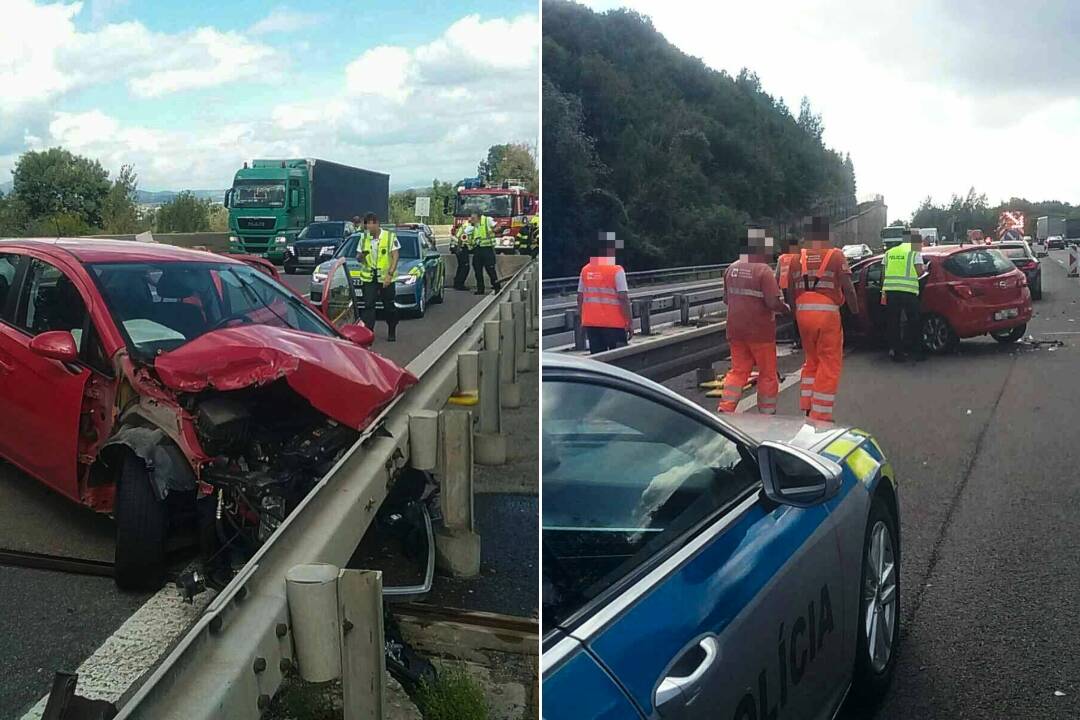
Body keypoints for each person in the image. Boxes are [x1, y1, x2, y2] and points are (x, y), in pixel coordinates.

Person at [784, 216, 859, 423]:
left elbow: (790, 291)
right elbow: (848, 288)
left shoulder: (796, 259)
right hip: (826, 314)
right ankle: (821, 415)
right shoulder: (835, 255)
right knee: (829, 363)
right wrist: (855, 312)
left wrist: (795, 314)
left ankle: (807, 407)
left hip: (803, 313)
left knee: (811, 361)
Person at [718, 229, 790, 415]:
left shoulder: (731, 268)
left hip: (735, 331)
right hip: (760, 332)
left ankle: (725, 409)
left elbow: (726, 299)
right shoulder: (763, 271)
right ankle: (766, 412)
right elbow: (773, 302)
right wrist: (785, 309)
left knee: (738, 371)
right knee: (767, 373)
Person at [577, 232, 632, 354]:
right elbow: (623, 298)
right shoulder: (616, 270)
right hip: (615, 325)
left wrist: (582, 319)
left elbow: (580, 298)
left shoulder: (585, 270)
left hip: (592, 325)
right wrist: (629, 322)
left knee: (598, 362)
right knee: (618, 360)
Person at [882, 230, 926, 362]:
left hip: (891, 291)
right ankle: (917, 352)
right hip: (908, 291)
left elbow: (883, 274)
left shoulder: (890, 252)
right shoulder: (915, 252)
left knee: (893, 323)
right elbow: (919, 272)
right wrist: (924, 270)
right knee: (914, 321)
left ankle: (897, 352)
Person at [356, 212, 400, 342]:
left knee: (389, 306)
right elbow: (358, 257)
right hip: (369, 277)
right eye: (366, 226)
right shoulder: (364, 238)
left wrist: (390, 274)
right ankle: (369, 333)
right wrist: (361, 256)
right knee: (368, 306)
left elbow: (395, 256)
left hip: (386, 277)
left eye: (370, 226)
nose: (368, 229)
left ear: (376, 224)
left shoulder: (389, 237)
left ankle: (392, 328)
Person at [775, 234, 802, 349]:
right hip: (797, 287)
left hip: (785, 288)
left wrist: (775, 292)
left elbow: (777, 276)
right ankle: (801, 337)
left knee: (792, 312)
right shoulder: (799, 257)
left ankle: (796, 338)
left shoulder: (782, 258)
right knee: (800, 312)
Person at [470, 211, 501, 294]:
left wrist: (493, 230)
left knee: (490, 269)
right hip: (478, 249)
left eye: (473, 218)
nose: (471, 219)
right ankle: (480, 289)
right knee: (477, 269)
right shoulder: (473, 224)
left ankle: (496, 287)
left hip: (488, 249)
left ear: (479, 217)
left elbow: (498, 227)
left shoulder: (487, 220)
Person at [451, 219, 473, 290]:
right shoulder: (470, 227)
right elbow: (462, 237)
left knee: (461, 266)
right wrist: (459, 248)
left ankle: (457, 283)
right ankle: (460, 284)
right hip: (461, 247)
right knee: (465, 267)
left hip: (457, 246)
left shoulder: (465, 225)